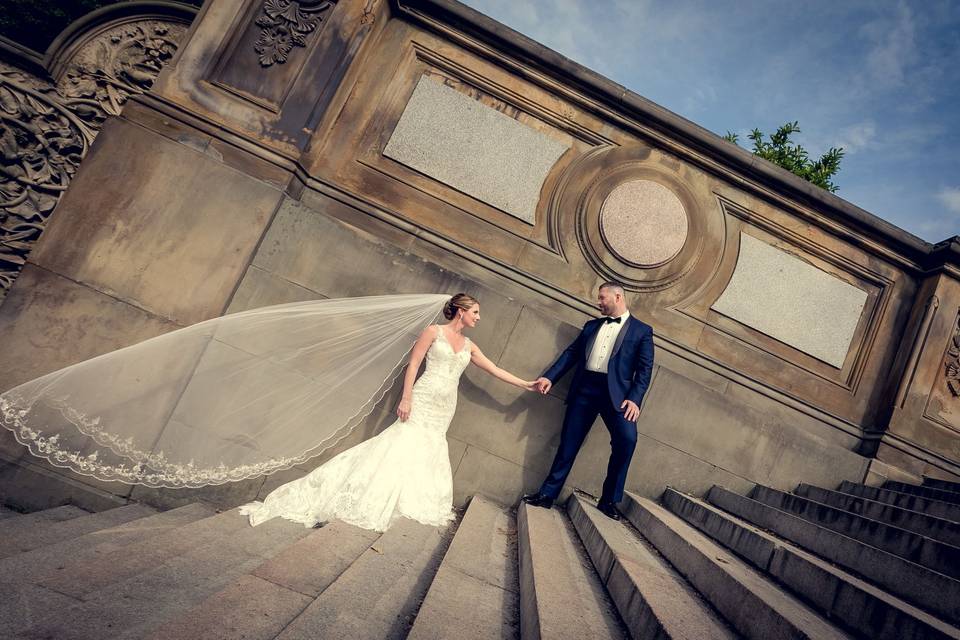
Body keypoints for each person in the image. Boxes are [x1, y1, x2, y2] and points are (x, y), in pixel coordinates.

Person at [240, 293, 536, 532]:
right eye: (475, 313)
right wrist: (406, 398)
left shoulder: (470, 345)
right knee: (402, 441)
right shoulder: (433, 332)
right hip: (423, 396)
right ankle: (373, 495)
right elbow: (414, 364)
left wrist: (528, 384)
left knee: (429, 447)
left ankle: (410, 498)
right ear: (461, 311)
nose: (478, 318)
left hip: (445, 405)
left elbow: (494, 369)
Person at [522, 282, 654, 520]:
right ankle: (547, 495)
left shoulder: (642, 331)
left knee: (627, 440)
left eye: (603, 298)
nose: (599, 302)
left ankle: (609, 500)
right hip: (585, 390)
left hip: (618, 397)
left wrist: (635, 399)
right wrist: (550, 377)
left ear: (618, 297)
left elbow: (644, 371)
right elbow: (571, 353)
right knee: (568, 444)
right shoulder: (591, 326)